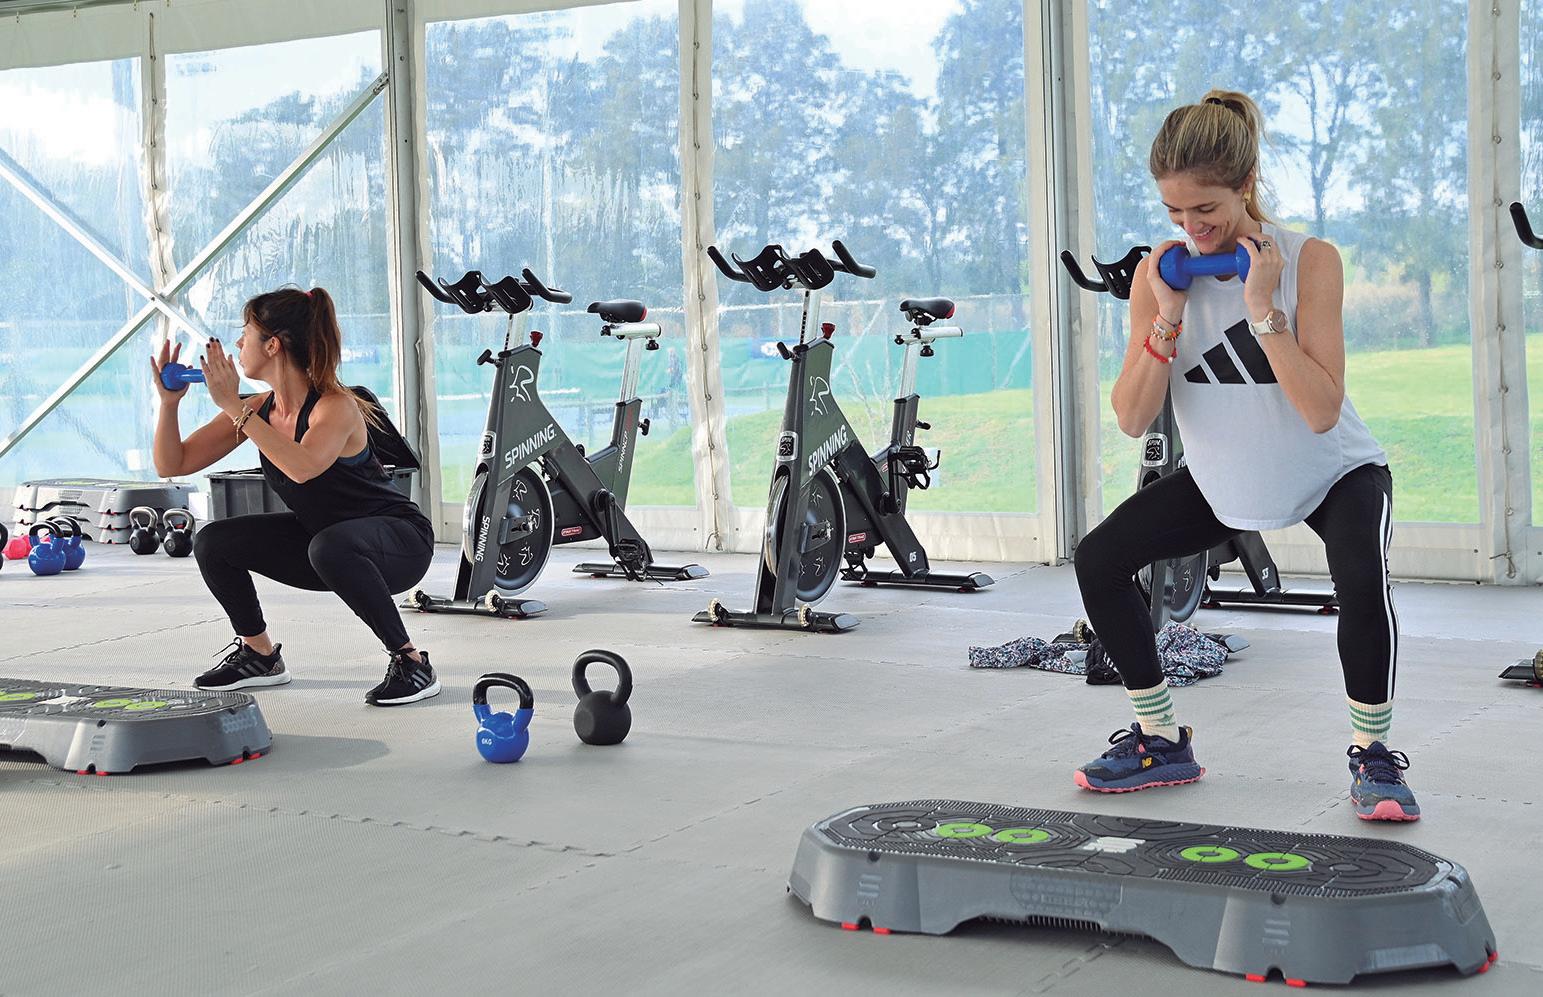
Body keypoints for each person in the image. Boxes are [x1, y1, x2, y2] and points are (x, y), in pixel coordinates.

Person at [1072, 91, 1415, 821]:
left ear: (1246, 184)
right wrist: (1167, 314)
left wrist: (1262, 308)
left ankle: (1374, 755)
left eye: (1207, 209)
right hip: (1222, 478)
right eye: (1174, 212)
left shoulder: (1310, 261)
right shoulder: (1160, 274)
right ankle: (1160, 739)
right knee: (1098, 559)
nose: (1191, 228)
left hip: (1333, 472)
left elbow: (1320, 411)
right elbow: (1131, 417)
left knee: (1361, 574)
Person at [151, 287, 441, 706]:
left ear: (272, 345)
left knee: (330, 545)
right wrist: (168, 404)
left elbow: (303, 466)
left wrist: (234, 407)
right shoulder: (257, 409)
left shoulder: (336, 406)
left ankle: (412, 662)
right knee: (214, 541)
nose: (238, 344)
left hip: (399, 544)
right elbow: (173, 463)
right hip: (326, 544)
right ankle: (259, 655)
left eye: (245, 332)